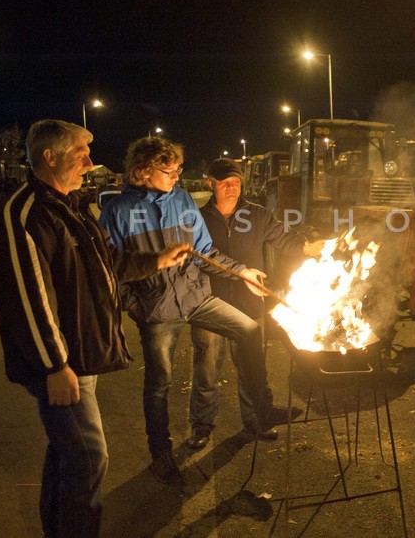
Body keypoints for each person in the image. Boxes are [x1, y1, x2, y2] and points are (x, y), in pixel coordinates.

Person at [0, 120, 189, 538]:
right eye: (81, 154)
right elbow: (28, 301)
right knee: (88, 458)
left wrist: (157, 260)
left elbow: (108, 264)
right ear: (50, 157)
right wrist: (54, 366)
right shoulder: (23, 215)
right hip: (61, 365)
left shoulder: (72, 207)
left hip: (80, 356)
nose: (90, 163)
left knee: (66, 454)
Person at [98, 137, 286, 488]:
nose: (175, 176)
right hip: (156, 310)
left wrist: (241, 272)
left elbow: (204, 251)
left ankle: (260, 410)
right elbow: (108, 267)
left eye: (178, 169)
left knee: (247, 329)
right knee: (159, 384)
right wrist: (134, 304)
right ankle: (162, 453)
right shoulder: (118, 211)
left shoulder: (183, 200)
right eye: (167, 170)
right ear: (143, 170)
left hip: (196, 296)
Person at [186, 158, 323, 450]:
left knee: (252, 367)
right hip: (209, 304)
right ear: (211, 183)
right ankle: (202, 425)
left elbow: (283, 238)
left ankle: (257, 419)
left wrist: (304, 247)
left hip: (249, 305)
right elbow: (198, 255)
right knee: (207, 369)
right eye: (224, 182)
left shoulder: (258, 215)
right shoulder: (197, 218)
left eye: (236, 182)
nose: (232, 187)